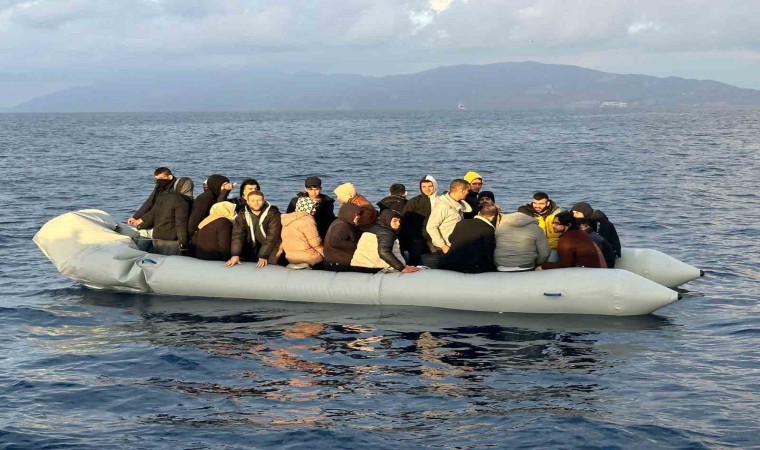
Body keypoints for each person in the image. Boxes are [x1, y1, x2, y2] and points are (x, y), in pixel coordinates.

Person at [136, 177, 194, 256]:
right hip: (171, 242)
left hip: (157, 238)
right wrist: (183, 244)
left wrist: (140, 226)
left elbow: (152, 215)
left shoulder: (163, 197)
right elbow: (181, 224)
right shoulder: (183, 202)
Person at [350, 209, 419, 273]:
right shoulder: (386, 233)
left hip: (358, 265)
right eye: (395, 221)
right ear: (387, 220)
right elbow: (384, 252)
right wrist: (402, 268)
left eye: (399, 221)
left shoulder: (372, 228)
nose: (398, 223)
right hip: (375, 268)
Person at [226, 191, 282, 268]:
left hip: (272, 244)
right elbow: (238, 235)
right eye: (252, 201)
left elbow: (272, 236)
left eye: (259, 200)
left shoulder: (273, 214)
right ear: (248, 202)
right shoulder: (242, 215)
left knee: (269, 264)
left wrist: (263, 255)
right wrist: (235, 254)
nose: (256, 203)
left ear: (263, 201)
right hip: (253, 244)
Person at [425, 179, 472, 267]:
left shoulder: (458, 204)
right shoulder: (442, 206)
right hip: (442, 248)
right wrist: (443, 246)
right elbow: (431, 227)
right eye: (467, 190)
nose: (468, 193)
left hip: (454, 245)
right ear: (462, 190)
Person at [538, 212, 607, 270]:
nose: (553, 225)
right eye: (553, 223)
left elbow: (565, 264)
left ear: (568, 224)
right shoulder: (581, 233)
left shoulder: (567, 239)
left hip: (584, 271)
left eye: (557, 223)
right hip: (593, 268)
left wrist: (543, 266)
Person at [441, 204, 498, 273]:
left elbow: (450, 239)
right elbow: (489, 250)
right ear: (493, 217)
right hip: (472, 266)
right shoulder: (488, 229)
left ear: (479, 213)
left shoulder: (461, 223)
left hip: (450, 262)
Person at [494, 205, 551, 271]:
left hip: (501, 265)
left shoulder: (500, 226)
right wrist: (537, 263)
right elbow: (544, 253)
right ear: (532, 215)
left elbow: (496, 245)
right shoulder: (536, 229)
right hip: (526, 266)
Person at [400, 175, 438, 266]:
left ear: (435, 186)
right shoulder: (414, 202)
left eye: (430, 186)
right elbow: (405, 221)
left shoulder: (440, 200)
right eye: (424, 187)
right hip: (418, 238)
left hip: (435, 237)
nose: (427, 189)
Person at [280, 197, 325, 268]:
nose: (314, 210)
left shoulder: (287, 220)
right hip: (309, 257)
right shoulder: (307, 220)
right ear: (305, 207)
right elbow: (315, 243)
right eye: (312, 207)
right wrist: (325, 255)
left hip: (291, 257)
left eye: (315, 207)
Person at [323, 203, 363, 272]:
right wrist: (356, 245)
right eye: (357, 215)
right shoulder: (342, 225)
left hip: (337, 261)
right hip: (338, 263)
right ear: (349, 214)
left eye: (359, 215)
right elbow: (334, 242)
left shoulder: (344, 223)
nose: (358, 217)